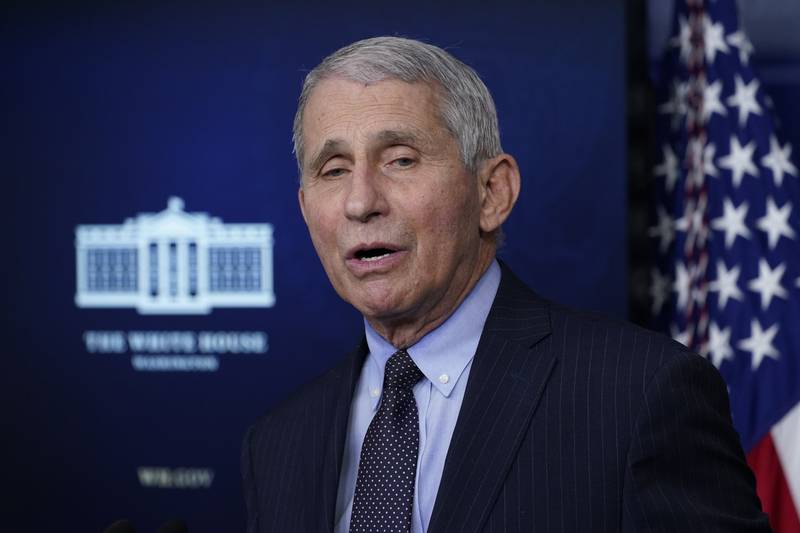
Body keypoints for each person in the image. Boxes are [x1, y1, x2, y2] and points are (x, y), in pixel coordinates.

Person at [241, 36, 769, 532]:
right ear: (307, 211)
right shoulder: (277, 445)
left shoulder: (641, 395)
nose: (361, 202)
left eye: (401, 160)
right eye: (333, 170)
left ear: (492, 192)